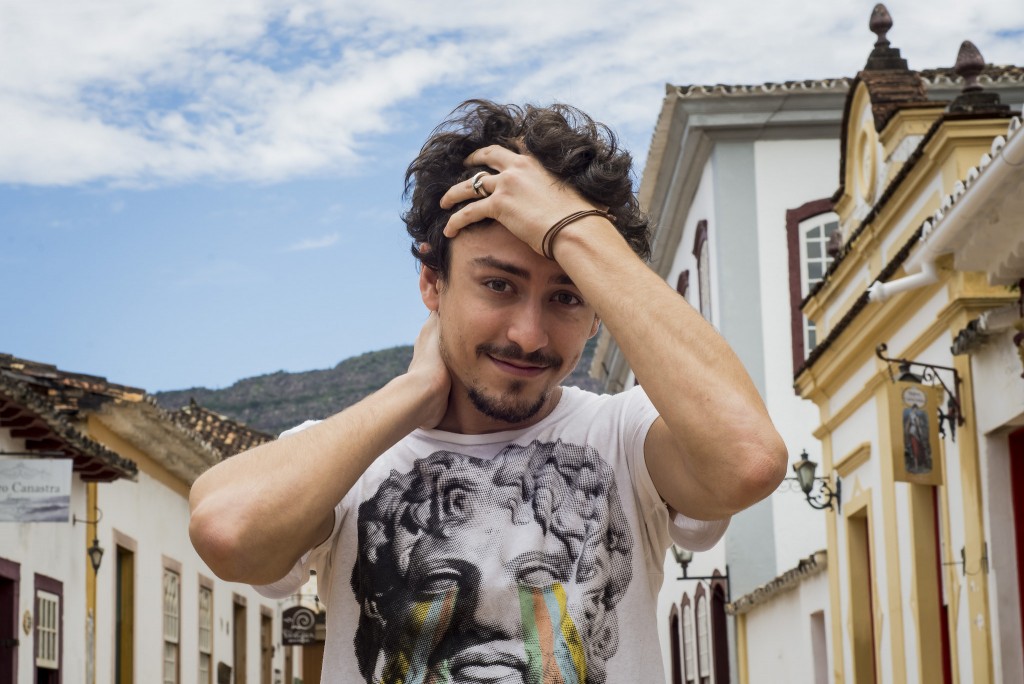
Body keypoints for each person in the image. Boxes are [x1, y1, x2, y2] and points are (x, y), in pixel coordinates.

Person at [189, 100, 788, 683]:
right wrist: (412, 393)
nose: (529, 336)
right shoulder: (350, 460)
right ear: (433, 281)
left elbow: (748, 460)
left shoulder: (627, 440)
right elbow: (227, 533)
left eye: (568, 294)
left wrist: (576, 231)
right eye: (499, 284)